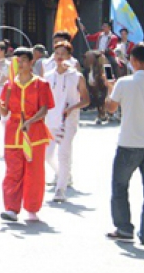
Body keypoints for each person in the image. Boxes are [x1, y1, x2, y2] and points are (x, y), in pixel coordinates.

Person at [0, 47, 53, 222]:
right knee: (13, 171)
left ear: (30, 62)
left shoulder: (41, 84)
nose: (19, 64)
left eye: (22, 61)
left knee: (34, 173)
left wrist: (30, 121)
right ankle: (11, 208)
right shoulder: (9, 85)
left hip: (34, 132)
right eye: (16, 61)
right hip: (13, 133)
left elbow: (44, 109)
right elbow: (5, 112)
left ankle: (32, 208)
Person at [105, 42, 144, 246]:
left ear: (134, 61)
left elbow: (111, 109)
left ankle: (124, 228)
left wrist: (109, 89)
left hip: (129, 142)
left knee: (120, 186)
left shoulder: (124, 82)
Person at [44, 41, 89, 202]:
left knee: (64, 153)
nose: (59, 57)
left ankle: (60, 189)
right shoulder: (48, 77)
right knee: (47, 155)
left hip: (69, 121)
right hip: (50, 120)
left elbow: (86, 100)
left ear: (70, 57)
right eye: (57, 53)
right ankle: (64, 174)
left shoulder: (77, 76)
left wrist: (72, 108)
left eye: (63, 54)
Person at [83, 50, 109, 124]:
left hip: (105, 54)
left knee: (113, 62)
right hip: (95, 53)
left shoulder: (112, 38)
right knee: (85, 72)